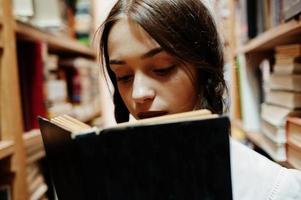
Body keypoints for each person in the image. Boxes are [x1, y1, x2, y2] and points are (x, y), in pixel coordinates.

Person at [98, 0, 301, 199]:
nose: (138, 93)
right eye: (123, 76)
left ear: (204, 70)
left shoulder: (275, 189)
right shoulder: (111, 176)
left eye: (162, 69)